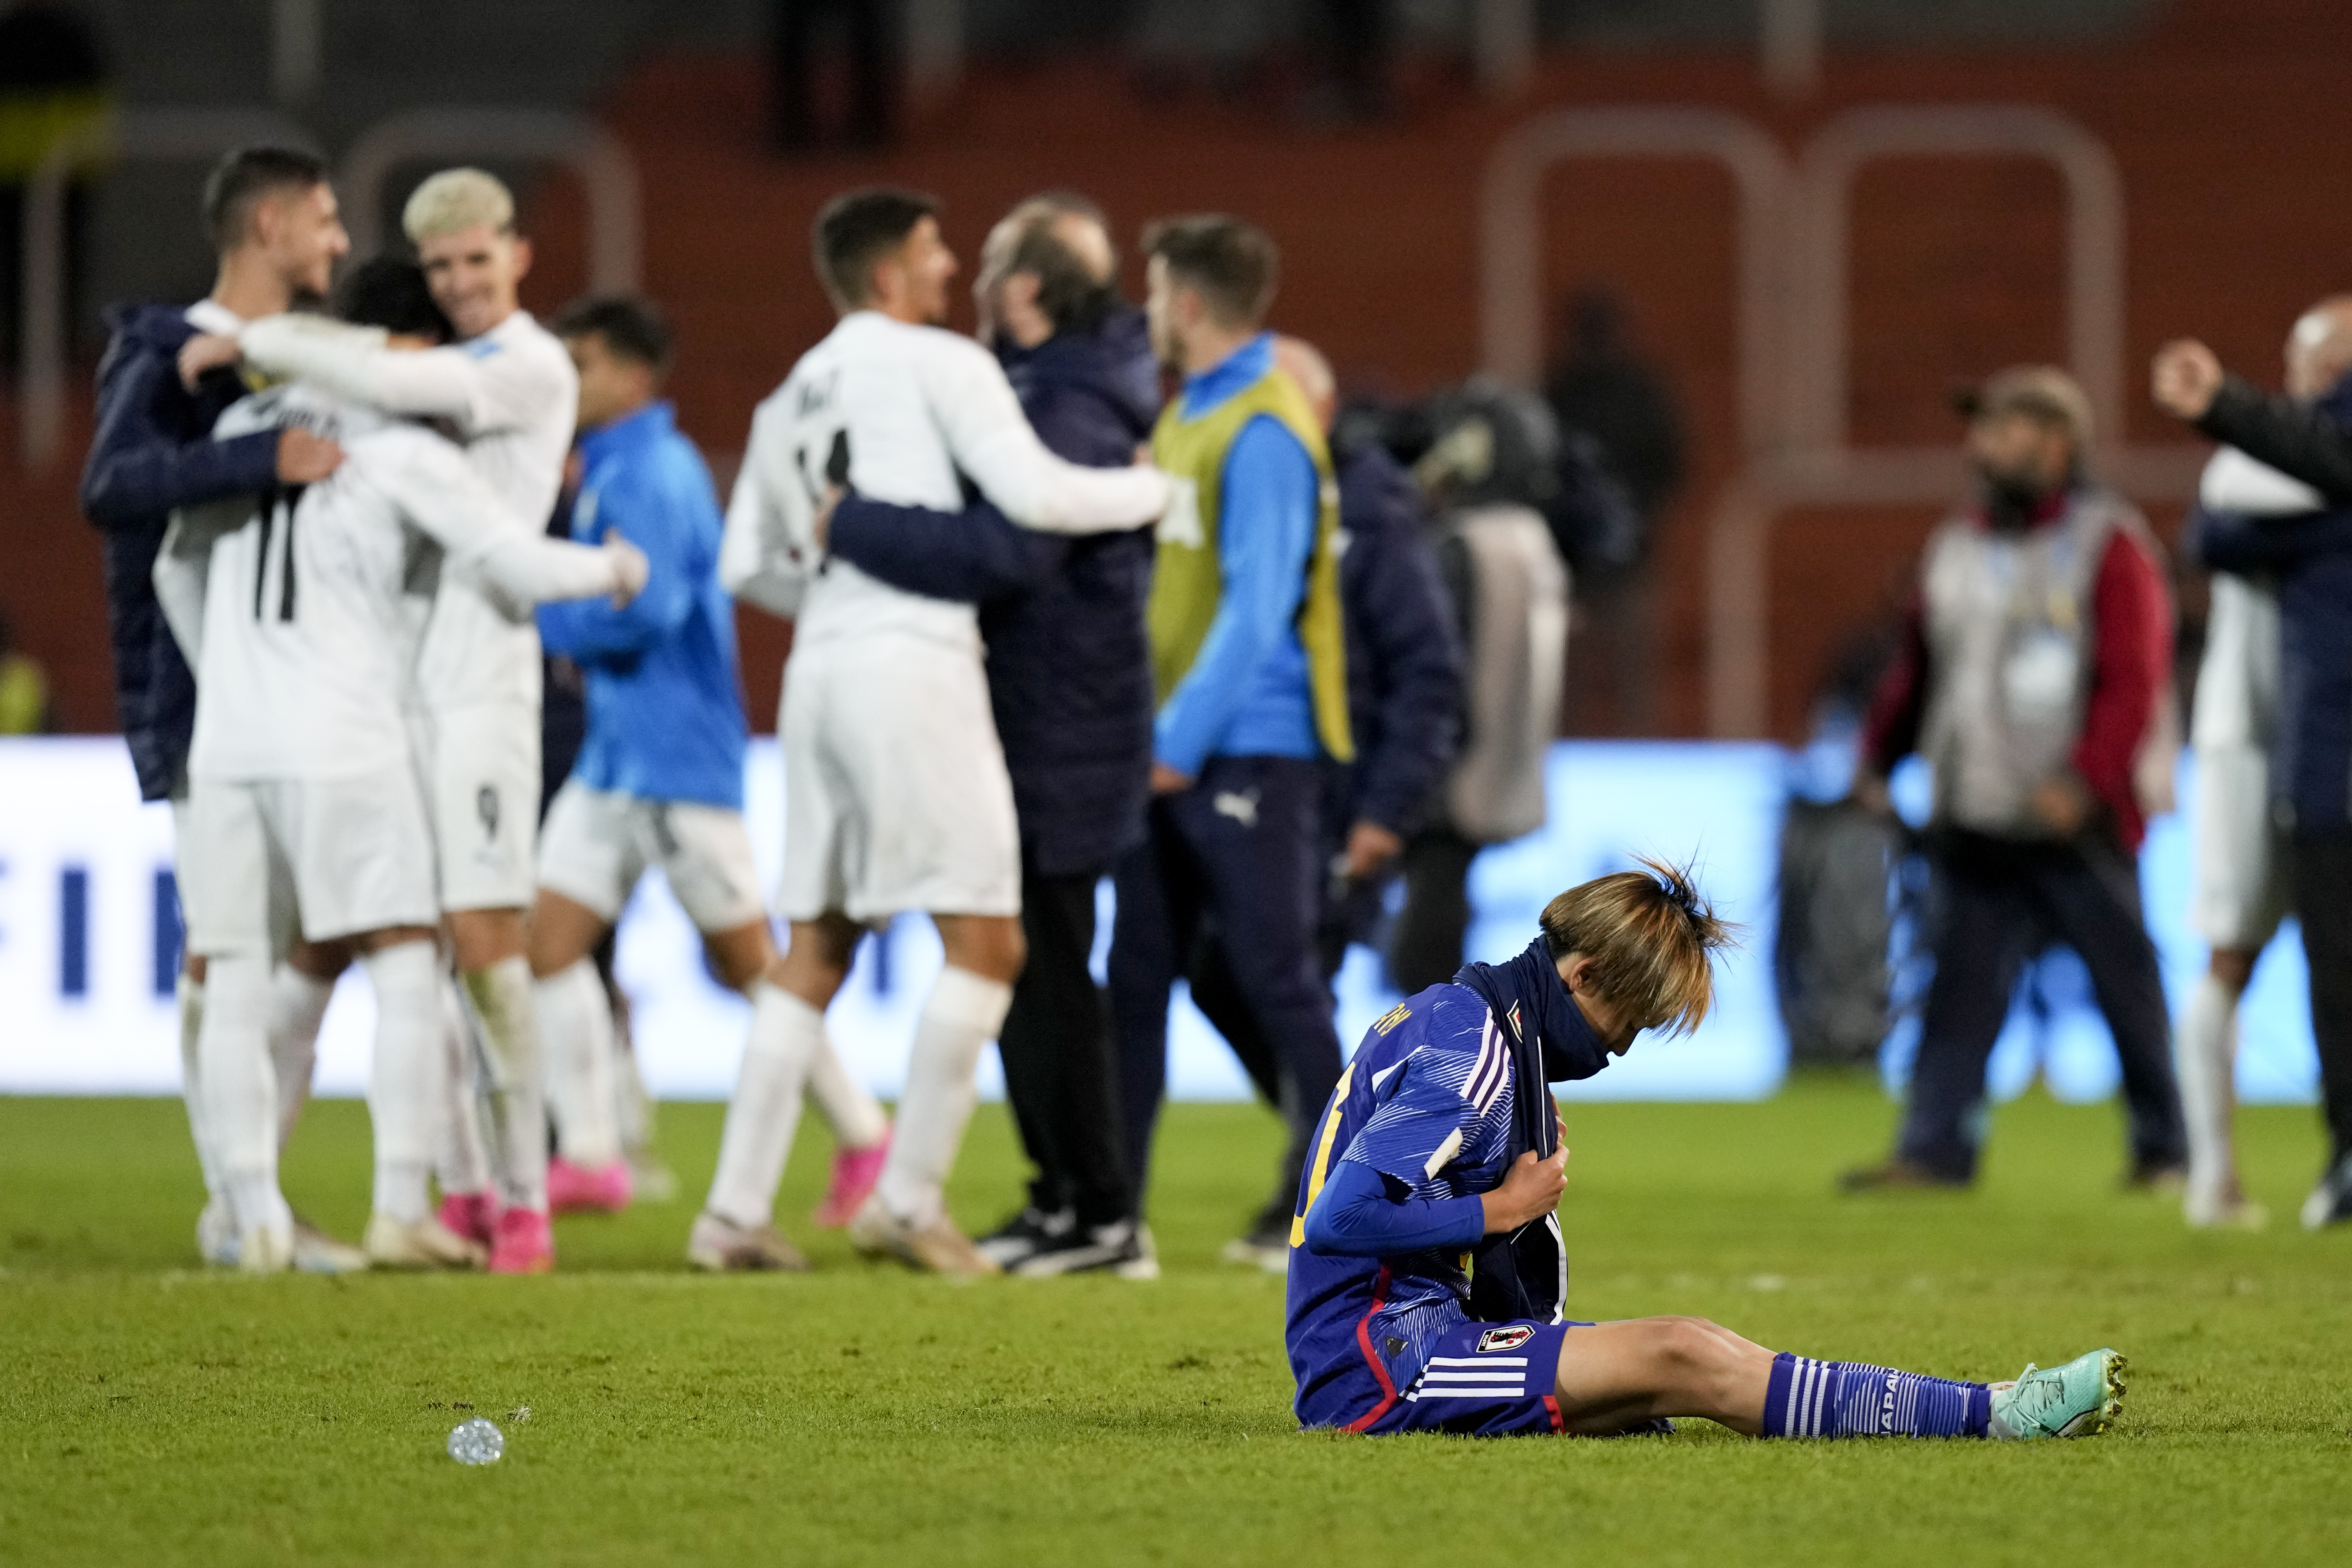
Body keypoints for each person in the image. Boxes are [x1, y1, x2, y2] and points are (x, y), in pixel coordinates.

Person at [155, 258, 645, 1271]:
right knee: (407, 955)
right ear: (409, 352)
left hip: (231, 735)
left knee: (246, 968)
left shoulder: (245, 433)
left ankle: (247, 1217)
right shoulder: (392, 445)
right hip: (343, 724)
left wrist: (228, 671)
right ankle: (398, 1207)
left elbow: (171, 563)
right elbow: (511, 560)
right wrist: (614, 567)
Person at [715, 187, 1170, 1275]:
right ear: (888, 276)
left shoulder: (788, 395)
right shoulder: (939, 364)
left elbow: (746, 566)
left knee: (818, 945)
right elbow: (1040, 498)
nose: (948, 266)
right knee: (989, 943)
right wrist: (1156, 493)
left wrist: (832, 593)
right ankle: (909, 1202)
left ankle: (729, 1216)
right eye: (932, 250)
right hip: (912, 668)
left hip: (817, 675)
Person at [1285, 856, 2128, 1444]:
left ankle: (1992, 1406)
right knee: (1681, 1354)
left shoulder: (1471, 1025)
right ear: (1579, 977)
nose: (1619, 1049)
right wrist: (1501, 1208)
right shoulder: (1469, 1054)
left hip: (1413, 1336)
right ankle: (1998, 1415)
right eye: (1629, 1022)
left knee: (1675, 1360)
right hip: (1380, 1363)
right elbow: (1337, 1219)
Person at [517, 295, 893, 1270]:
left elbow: (658, 610)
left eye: (585, 362)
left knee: (752, 969)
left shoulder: (654, 471)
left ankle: (863, 1136)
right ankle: (592, 1152)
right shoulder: (610, 467)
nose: (570, 379)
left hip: (679, 758)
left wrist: (543, 618)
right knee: (547, 944)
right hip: (614, 757)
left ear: (633, 377)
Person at [79, 145, 351, 1270]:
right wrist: (256, 462)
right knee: (233, 950)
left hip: (308, 700)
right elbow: (111, 485)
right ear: (271, 224)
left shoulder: (303, 356)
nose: (339, 241)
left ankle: (242, 1199)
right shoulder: (161, 351)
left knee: (297, 946)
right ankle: (246, 1207)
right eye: (327, 221)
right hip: (203, 699)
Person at [1842, 365, 2187, 1193]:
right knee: (1956, 992)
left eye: (2001, 429)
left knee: (2123, 991)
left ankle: (2167, 1150)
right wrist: (1878, 759)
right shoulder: (1955, 543)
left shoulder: (2110, 542)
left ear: (2055, 441)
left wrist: (2085, 781)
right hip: (1975, 808)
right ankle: (1933, 1151)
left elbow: (2131, 678)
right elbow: (1917, 666)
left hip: (2074, 815)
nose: (1981, 446)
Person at [1185, 334, 1464, 1269]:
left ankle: (1327, 1182)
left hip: (1340, 805)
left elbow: (1428, 672)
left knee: (1282, 976)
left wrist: (1387, 809)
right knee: (1225, 971)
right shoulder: (1277, 502)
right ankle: (1339, 1149)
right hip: (1279, 786)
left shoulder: (1368, 515)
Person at [1108, 214, 1355, 1260]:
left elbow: (1259, 608)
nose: (1148, 310)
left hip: (1250, 745)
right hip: (1174, 743)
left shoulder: (1262, 426)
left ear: (1192, 304)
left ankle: (1342, 1206)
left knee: (1275, 973)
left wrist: (1177, 736)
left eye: (1157, 292)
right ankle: (1107, 1213)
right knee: (1135, 974)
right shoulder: (1191, 417)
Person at [2156, 306, 2352, 1230]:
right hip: (2250, 735)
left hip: (2305, 740)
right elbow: (2213, 539)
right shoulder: (2247, 456)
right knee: (2230, 953)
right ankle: (2213, 1173)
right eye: (2328, 355)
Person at [1385, 380, 1570, 996]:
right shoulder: (1531, 540)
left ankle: (1427, 1054)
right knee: (1439, 910)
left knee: (1423, 930)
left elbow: (1430, 662)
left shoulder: (1465, 545)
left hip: (1447, 762)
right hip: (1502, 755)